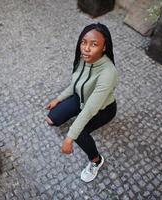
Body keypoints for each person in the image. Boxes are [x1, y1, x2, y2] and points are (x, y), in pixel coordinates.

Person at [45, 23, 119, 182]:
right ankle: (73, 122)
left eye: (94, 44)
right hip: (81, 98)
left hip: (102, 109)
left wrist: (69, 137)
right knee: (51, 119)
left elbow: (91, 109)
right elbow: (76, 84)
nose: (86, 48)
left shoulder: (108, 72)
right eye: (83, 42)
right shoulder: (83, 59)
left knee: (78, 134)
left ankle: (96, 160)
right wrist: (58, 98)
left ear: (104, 47)